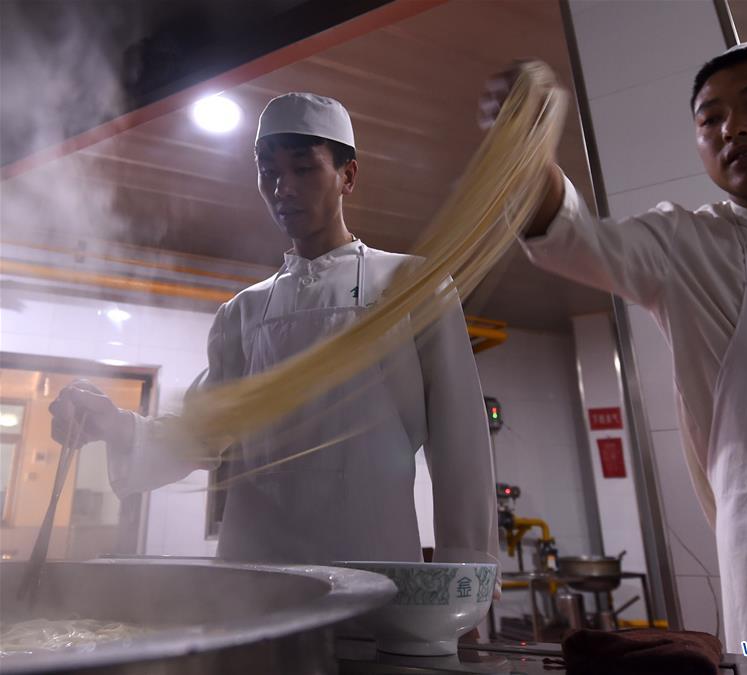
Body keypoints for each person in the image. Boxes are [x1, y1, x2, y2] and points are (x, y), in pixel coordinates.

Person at [483, 41, 747, 671]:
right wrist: (522, 140)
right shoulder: (685, 244)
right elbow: (567, 234)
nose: (734, 127)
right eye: (711, 119)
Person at [51, 93, 499, 569]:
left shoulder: (411, 286)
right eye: (269, 170)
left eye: (303, 169)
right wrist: (114, 426)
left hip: (373, 562)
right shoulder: (243, 311)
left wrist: (464, 577)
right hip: (255, 567)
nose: (282, 187)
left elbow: (461, 446)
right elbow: (201, 431)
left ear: (348, 175)